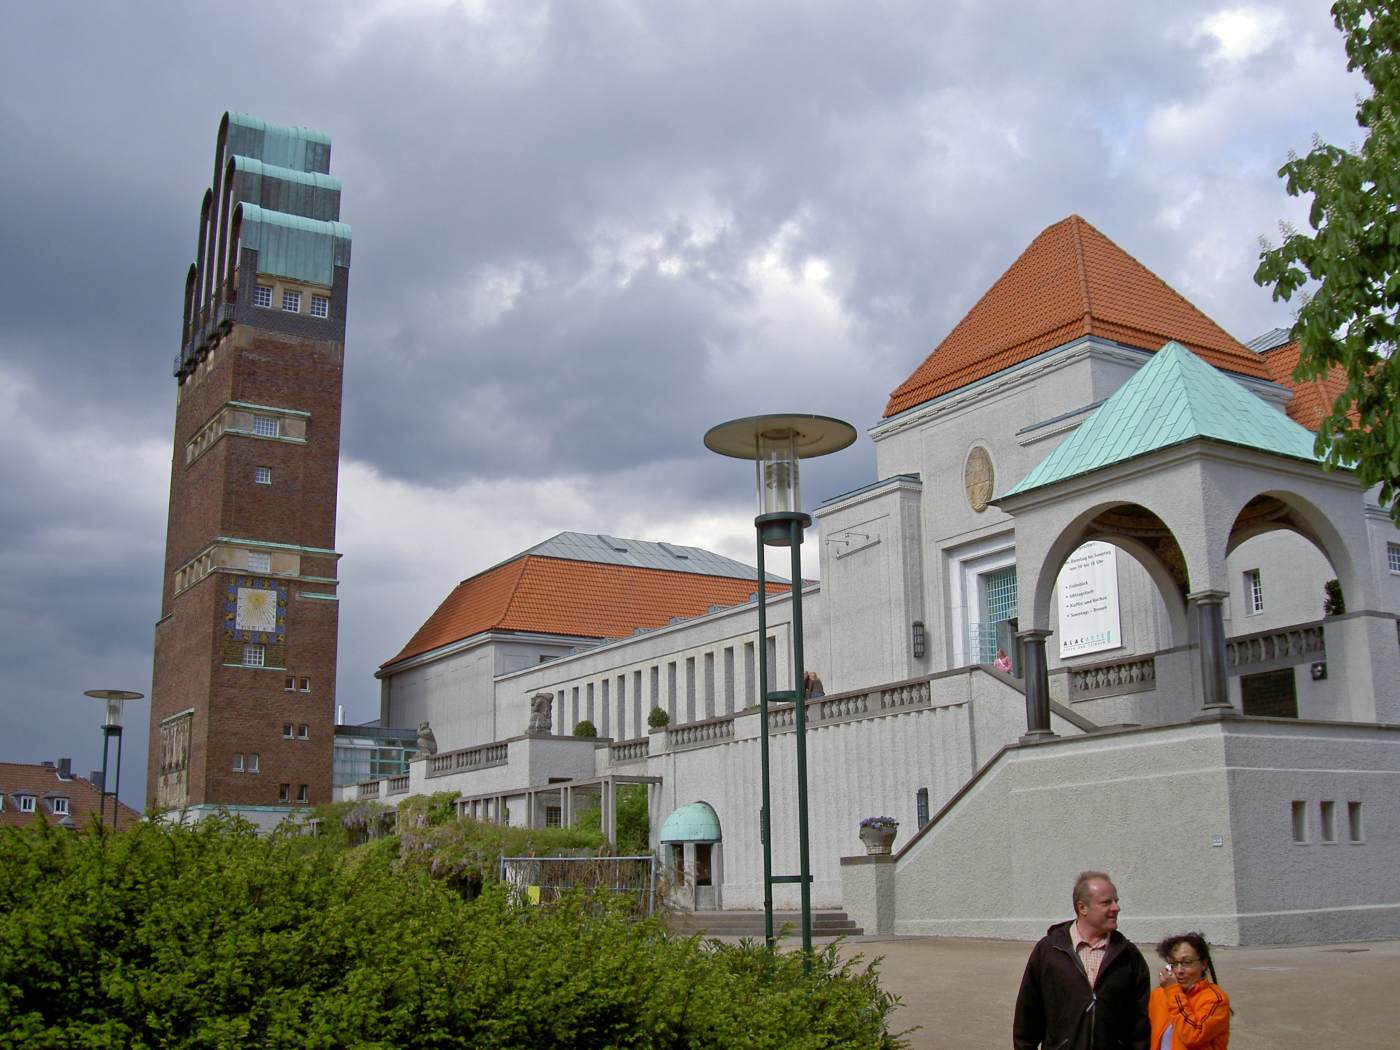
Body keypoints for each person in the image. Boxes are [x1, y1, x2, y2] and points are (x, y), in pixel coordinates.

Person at [1013, 870, 1150, 1050]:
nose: (1116, 908)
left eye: (1116, 901)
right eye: (1106, 902)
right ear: (1082, 908)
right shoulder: (1049, 951)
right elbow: (1028, 1017)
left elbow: (1140, 1024)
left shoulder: (1128, 955)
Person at [1149, 932, 1229, 1049]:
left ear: (1203, 964)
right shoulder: (1159, 994)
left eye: (1187, 963)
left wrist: (1173, 992)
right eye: (1174, 964)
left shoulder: (1216, 1000)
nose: (1179, 971)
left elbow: (1193, 1034)